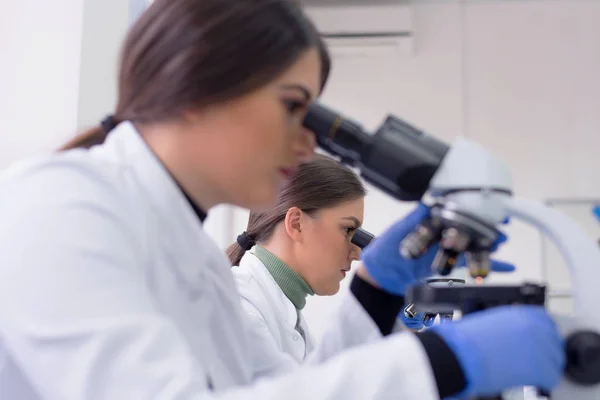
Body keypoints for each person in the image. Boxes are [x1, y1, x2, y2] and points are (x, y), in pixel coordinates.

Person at [0, 0, 565, 399]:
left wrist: (376, 289)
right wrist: (441, 363)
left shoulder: (193, 259)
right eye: (294, 106)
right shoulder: (61, 205)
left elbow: (285, 386)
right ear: (197, 85)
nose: (309, 141)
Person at [227, 154, 366, 364]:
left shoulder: (292, 320)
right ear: (296, 224)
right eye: (348, 229)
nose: (358, 253)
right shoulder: (241, 308)